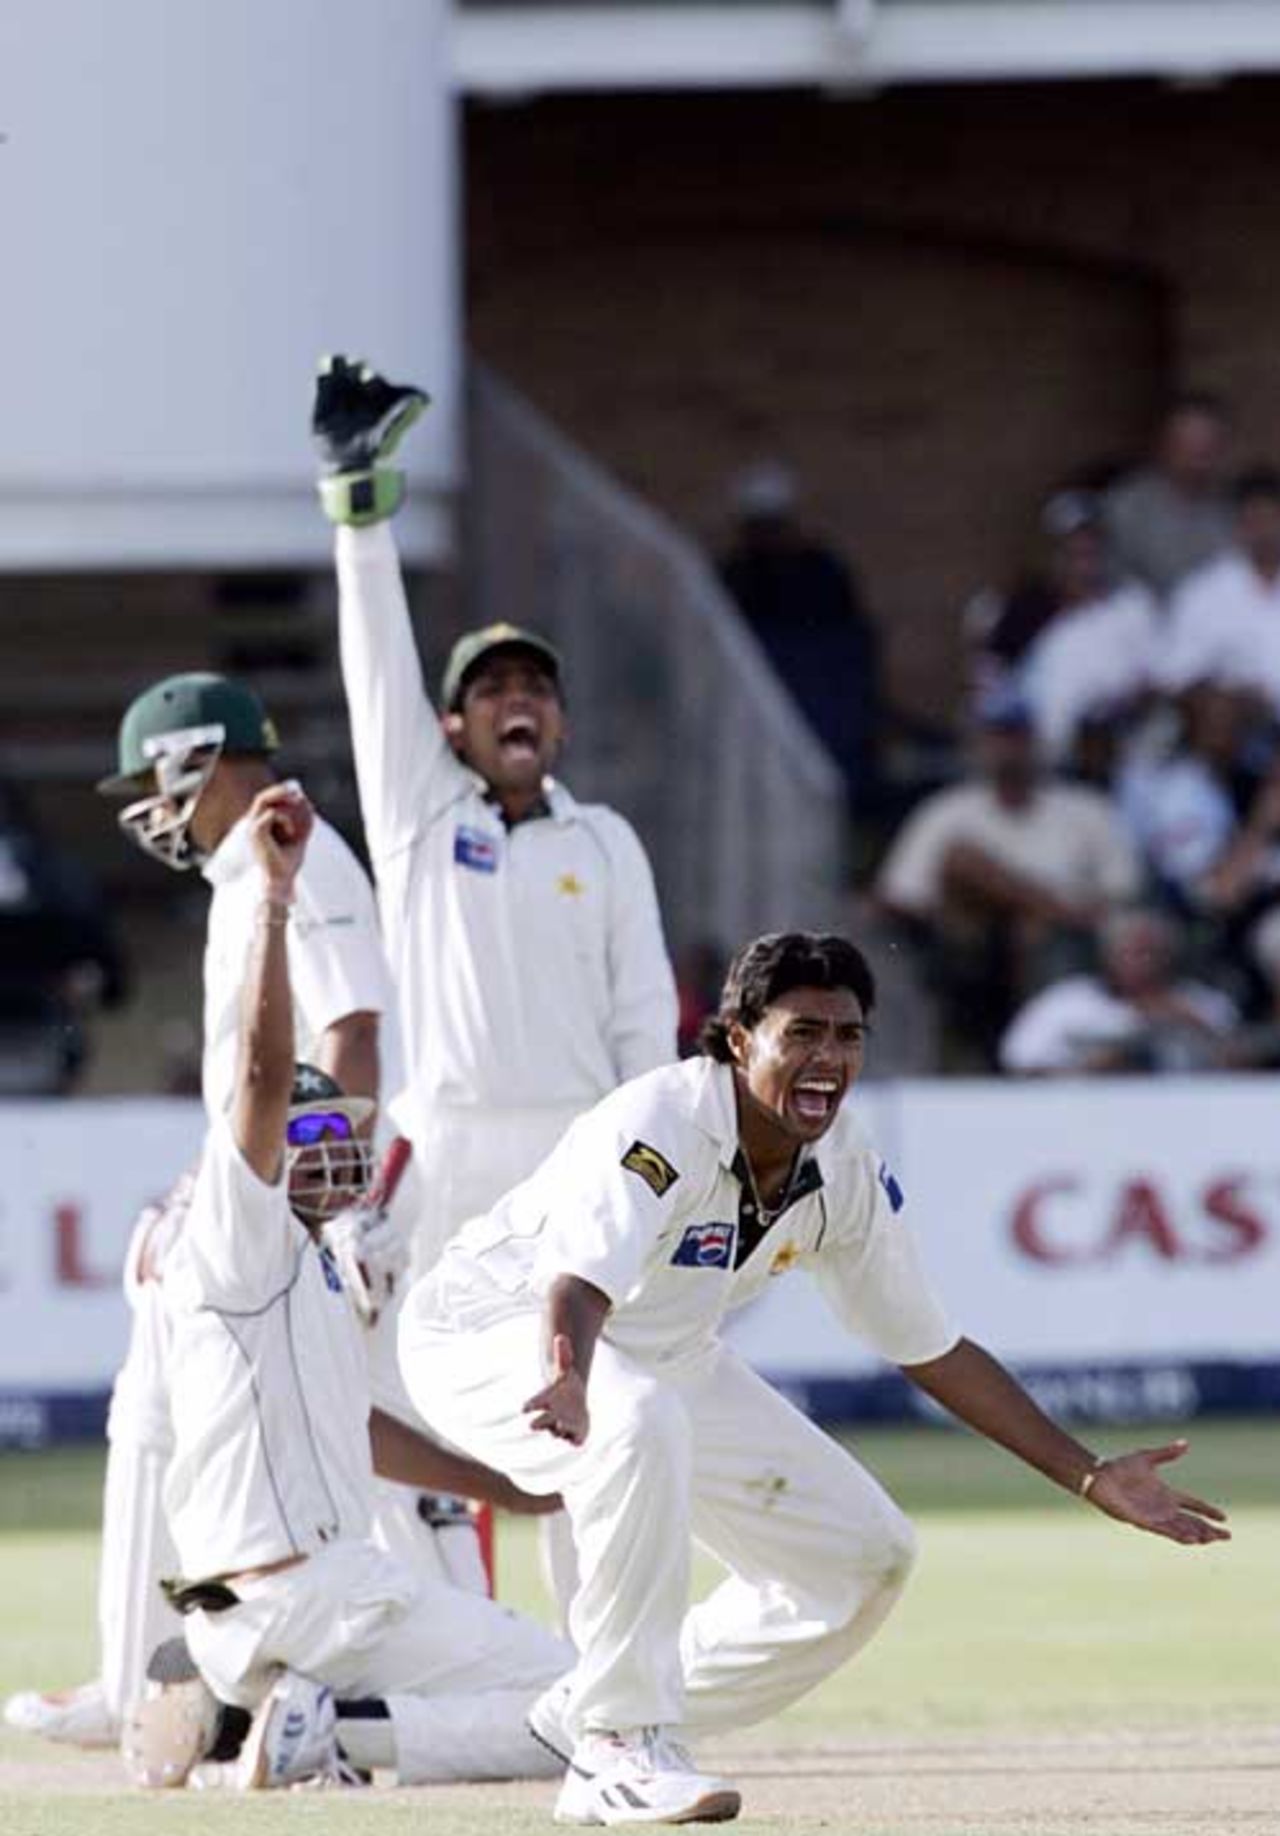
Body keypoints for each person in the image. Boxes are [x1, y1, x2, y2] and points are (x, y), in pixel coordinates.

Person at [397, 931, 1229, 1827]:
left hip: (661, 1354)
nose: (828, 1059)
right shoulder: (660, 1121)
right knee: (634, 1422)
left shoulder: (842, 1169)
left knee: (862, 1557)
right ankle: (617, 1743)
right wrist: (569, 1376)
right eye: (802, 1033)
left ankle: (586, 1715)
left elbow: (931, 1349)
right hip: (497, 1333)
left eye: (848, 1036)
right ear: (736, 1035)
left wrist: (1090, 1473)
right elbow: (579, 1284)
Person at [4, 672, 398, 1751]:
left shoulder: (293, 854)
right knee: (153, 1413)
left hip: (291, 1208)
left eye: (155, 780)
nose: (148, 807)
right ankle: (137, 1681)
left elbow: (350, 1033)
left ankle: (319, 1689)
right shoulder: (244, 871)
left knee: (303, 1445)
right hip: (254, 1187)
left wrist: (331, 1199)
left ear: (198, 759)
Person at [152, 779, 570, 1790]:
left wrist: (502, 1490)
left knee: (512, 1689)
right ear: (260, 1151)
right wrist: (274, 902)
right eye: (312, 1137)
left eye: (342, 1134)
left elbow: (361, 1429)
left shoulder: (311, 1258)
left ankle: (248, 1721)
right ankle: (332, 1733)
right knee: (590, 1704)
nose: (336, 1154)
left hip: (255, 1610)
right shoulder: (237, 1228)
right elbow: (259, 1074)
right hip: (317, 1597)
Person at [313, 353, 679, 1277]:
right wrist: (358, 514)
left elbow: (641, 1017)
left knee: (572, 1393)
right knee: (401, 1393)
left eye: (535, 689)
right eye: (492, 690)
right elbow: (379, 670)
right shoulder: (419, 813)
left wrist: (650, 1166)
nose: (517, 702)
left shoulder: (605, 842)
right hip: (440, 1146)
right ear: (451, 726)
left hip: (576, 1142)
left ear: (558, 721)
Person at [874, 685, 1143, 1064]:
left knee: (1039, 935)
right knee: (961, 860)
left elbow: (1123, 893)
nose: (1007, 748)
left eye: (1016, 735)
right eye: (996, 736)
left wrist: (1046, 920)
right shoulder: (945, 811)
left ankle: (1040, 1051)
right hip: (969, 952)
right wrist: (1023, 907)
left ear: (1036, 741)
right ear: (978, 743)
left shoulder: (1086, 810)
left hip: (1068, 947)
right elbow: (902, 897)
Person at [717, 460, 883, 817]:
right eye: (757, 527)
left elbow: (850, 648)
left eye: (772, 525)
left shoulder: (821, 571)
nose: (765, 537)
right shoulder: (735, 577)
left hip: (822, 711)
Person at [998, 906, 1239, 1075]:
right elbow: (1020, 1063)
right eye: (1132, 953)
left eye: (1151, 952)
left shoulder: (1202, 1002)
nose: (1144, 963)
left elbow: (1244, 1071)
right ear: (1109, 956)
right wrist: (1090, 1068)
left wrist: (1196, 1027)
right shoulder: (1065, 1002)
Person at [1156, 465, 1280, 716]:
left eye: (1271, 519)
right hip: (1239, 736)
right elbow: (1175, 678)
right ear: (1238, 526)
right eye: (1254, 521)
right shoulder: (1203, 593)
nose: (1264, 532)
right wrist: (1231, 696)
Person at [1102, 392, 1233, 601]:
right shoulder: (1128, 506)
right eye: (1188, 444)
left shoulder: (1232, 508)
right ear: (1165, 444)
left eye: (1207, 445)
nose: (1198, 455)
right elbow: (1112, 580)